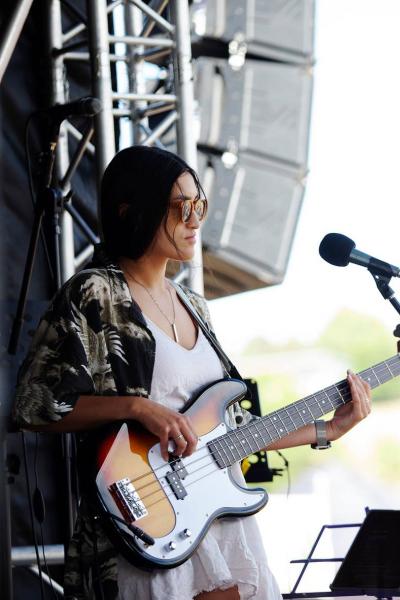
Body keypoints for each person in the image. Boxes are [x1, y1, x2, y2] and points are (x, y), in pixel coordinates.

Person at [13, 146, 372, 600]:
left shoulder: (195, 306)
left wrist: (326, 430)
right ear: (132, 210)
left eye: (199, 205)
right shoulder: (95, 292)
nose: (195, 219)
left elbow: (229, 433)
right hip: (145, 524)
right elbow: (34, 407)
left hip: (216, 519)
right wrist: (140, 409)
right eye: (182, 206)